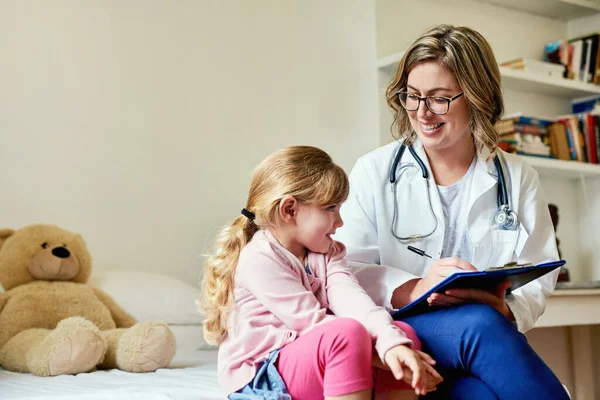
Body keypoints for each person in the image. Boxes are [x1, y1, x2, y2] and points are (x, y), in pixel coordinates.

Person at [334, 25, 570, 399]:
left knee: (480, 393)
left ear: (477, 96)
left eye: (439, 98)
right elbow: (343, 275)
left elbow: (539, 271)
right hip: (401, 333)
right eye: (412, 96)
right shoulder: (374, 171)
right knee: (480, 324)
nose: (422, 112)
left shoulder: (517, 175)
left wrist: (507, 310)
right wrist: (417, 286)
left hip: (482, 338)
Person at [200, 146, 443, 400]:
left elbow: (352, 300)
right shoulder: (260, 258)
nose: (340, 222)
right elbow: (311, 323)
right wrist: (383, 352)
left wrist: (391, 341)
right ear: (290, 210)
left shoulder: (327, 252)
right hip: (262, 374)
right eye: (331, 209)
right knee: (346, 334)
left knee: (401, 333)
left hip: (309, 358)